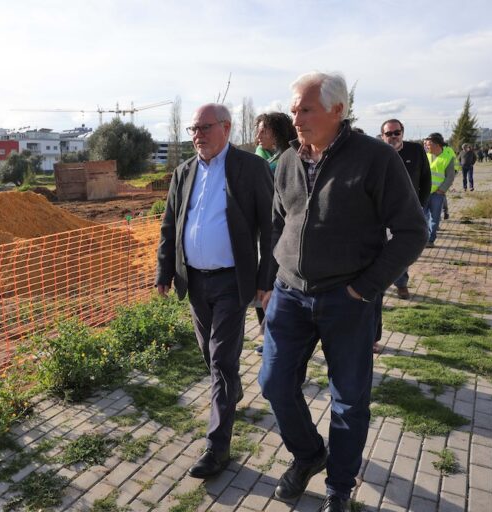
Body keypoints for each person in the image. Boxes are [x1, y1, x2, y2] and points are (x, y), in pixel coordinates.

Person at [258, 72, 427, 512]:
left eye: (306, 109)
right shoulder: (290, 160)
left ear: (337, 110)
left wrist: (365, 288)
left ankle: (339, 486)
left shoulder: (375, 158)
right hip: (290, 296)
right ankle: (310, 454)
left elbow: (412, 232)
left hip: (347, 300)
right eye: (294, 109)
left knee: (349, 402)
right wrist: (272, 279)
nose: (295, 118)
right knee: (273, 383)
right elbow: (280, 222)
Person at [156, 103, 274, 479]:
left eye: (204, 128)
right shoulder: (183, 171)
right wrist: (164, 270)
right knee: (210, 355)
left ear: (226, 128)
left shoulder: (249, 168)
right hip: (194, 281)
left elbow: (271, 227)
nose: (197, 135)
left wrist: (265, 278)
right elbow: (170, 223)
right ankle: (231, 392)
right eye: (193, 129)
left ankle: (217, 446)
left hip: (231, 280)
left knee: (223, 360)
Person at [253, 112, 295, 354]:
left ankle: (277, 337)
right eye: (258, 130)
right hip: (259, 234)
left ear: (278, 133)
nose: (258, 135)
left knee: (277, 285)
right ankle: (268, 333)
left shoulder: (291, 159)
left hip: (284, 233)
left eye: (264, 131)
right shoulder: (258, 160)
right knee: (260, 283)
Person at [380, 119, 431, 299]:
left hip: (408, 211)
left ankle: (401, 283)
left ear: (402, 133)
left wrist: (421, 205)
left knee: (402, 249)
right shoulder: (377, 153)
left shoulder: (416, 150)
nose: (393, 136)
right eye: (389, 134)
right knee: (380, 248)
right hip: (380, 212)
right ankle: (380, 282)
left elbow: (426, 179)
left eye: (396, 132)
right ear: (382, 136)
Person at [423, 133, 457, 248]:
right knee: (422, 217)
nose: (427, 147)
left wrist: (442, 190)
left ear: (436, 145)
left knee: (435, 217)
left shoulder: (448, 158)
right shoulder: (425, 156)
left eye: (428, 145)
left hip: (437, 194)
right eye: (426, 145)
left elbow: (450, 176)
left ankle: (430, 240)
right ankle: (423, 238)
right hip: (424, 192)